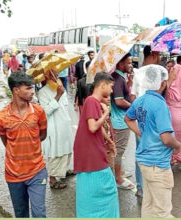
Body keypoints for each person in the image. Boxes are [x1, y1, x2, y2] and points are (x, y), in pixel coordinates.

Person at [124, 65, 181, 218]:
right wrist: (178, 145)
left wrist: (142, 133)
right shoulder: (160, 105)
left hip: (144, 162)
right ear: (162, 83)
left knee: (149, 205)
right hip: (158, 165)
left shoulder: (140, 100)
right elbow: (166, 138)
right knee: (163, 211)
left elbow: (128, 118)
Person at [0, 72, 48, 218]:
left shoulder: (38, 111)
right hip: (14, 175)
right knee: (21, 214)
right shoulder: (1, 117)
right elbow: (6, 141)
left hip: (37, 171)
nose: (32, 91)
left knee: (39, 213)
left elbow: (42, 135)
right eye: (28, 88)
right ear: (16, 90)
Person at [73, 73, 119, 218]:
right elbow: (93, 126)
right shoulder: (92, 101)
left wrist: (109, 141)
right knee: (108, 189)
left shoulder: (91, 101)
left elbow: (96, 128)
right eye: (111, 87)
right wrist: (106, 113)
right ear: (103, 85)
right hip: (90, 151)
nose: (112, 91)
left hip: (88, 149)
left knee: (91, 190)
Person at [130, 45, 163, 197]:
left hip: (140, 118)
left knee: (141, 152)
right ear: (154, 54)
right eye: (159, 54)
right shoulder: (159, 73)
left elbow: (132, 97)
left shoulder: (137, 73)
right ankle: (151, 187)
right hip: (155, 118)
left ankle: (140, 187)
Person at [38, 69, 74, 189]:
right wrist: (58, 96)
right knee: (55, 151)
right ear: (45, 76)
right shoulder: (42, 92)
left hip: (65, 123)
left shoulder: (60, 87)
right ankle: (52, 179)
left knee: (67, 147)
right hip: (54, 126)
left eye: (56, 73)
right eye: (52, 73)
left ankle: (64, 171)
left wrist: (60, 93)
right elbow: (45, 111)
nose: (56, 75)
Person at [110, 53, 135, 190]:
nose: (130, 65)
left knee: (117, 150)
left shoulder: (119, 78)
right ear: (120, 64)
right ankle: (118, 179)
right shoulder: (118, 79)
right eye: (128, 63)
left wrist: (129, 82)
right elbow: (119, 101)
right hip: (120, 121)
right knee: (118, 151)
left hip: (117, 119)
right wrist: (133, 107)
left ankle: (118, 172)